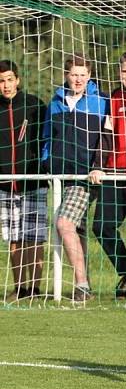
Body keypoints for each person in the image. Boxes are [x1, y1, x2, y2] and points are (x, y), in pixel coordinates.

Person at [42, 54, 109, 302]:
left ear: (89, 76)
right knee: (76, 229)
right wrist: (48, 162)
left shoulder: (101, 102)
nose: (78, 79)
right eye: (74, 74)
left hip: (86, 177)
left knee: (64, 224)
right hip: (61, 177)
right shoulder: (55, 103)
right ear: (66, 75)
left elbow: (107, 138)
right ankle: (86, 284)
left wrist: (98, 166)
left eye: (82, 74)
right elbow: (47, 137)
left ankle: (80, 285)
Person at [90, 52, 126, 300]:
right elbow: (107, 135)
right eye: (125, 72)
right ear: (118, 71)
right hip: (115, 173)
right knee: (102, 226)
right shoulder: (113, 97)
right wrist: (99, 165)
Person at [0, 60, 49, 300]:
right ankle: (19, 287)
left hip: (33, 182)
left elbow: (45, 141)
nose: (6, 85)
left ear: (17, 80)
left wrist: (42, 167)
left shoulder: (34, 105)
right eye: (1, 80)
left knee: (35, 237)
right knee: (14, 238)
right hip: (6, 185)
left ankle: (35, 288)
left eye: (10, 79)